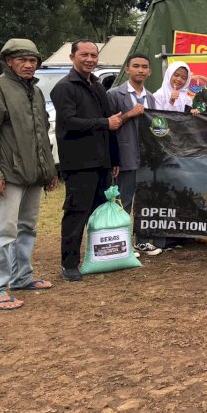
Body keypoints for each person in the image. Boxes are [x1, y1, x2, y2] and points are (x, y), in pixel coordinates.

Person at [0, 39, 58, 309]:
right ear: (8, 61)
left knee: (27, 228)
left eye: (33, 60)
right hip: (8, 174)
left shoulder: (35, 91)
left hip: (33, 174)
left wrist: (49, 171)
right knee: (3, 232)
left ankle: (22, 277)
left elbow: (42, 134)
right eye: (22, 59)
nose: (29, 64)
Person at [51, 39, 121, 282]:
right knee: (76, 213)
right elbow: (69, 122)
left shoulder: (97, 85)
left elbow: (110, 122)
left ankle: (100, 257)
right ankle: (69, 264)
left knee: (98, 213)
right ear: (72, 57)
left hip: (102, 161)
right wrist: (104, 123)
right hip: (79, 163)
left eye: (94, 55)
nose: (90, 59)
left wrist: (114, 158)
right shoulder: (64, 87)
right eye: (84, 55)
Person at [106, 52, 162, 257]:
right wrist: (130, 113)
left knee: (145, 201)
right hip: (125, 157)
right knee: (124, 200)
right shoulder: (114, 94)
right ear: (127, 69)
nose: (140, 70)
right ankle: (122, 243)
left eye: (144, 67)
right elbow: (109, 127)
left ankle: (143, 241)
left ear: (149, 71)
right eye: (136, 66)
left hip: (146, 158)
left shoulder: (151, 98)